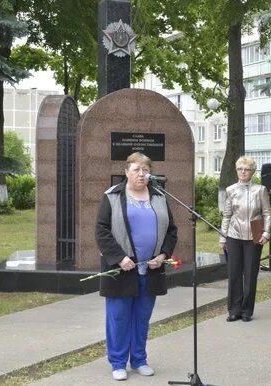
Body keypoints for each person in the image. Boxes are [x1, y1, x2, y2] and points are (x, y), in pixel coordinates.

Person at [95, 152, 177, 381]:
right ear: (126, 172)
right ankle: (118, 362)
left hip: (150, 269)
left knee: (142, 317)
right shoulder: (112, 196)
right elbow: (101, 231)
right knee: (119, 317)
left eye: (146, 170)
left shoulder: (159, 197)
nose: (142, 174)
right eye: (136, 170)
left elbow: (172, 230)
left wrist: (162, 255)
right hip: (122, 269)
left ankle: (139, 359)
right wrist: (120, 258)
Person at [219, 156, 271, 322]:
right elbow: (227, 215)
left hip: (254, 236)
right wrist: (223, 236)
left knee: (250, 274)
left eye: (247, 169)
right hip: (234, 235)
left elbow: (267, 213)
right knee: (234, 273)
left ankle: (247, 310)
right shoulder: (230, 190)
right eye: (240, 169)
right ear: (236, 171)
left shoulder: (260, 190)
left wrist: (266, 232)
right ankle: (234, 310)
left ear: (252, 172)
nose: (243, 172)